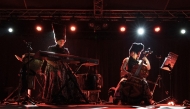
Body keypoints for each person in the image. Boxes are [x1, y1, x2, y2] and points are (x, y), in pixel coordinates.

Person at [41, 23, 83, 104]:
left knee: (73, 77)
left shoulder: (65, 50)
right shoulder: (51, 48)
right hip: (53, 66)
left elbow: (68, 60)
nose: (62, 42)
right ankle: (56, 97)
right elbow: (46, 58)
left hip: (64, 67)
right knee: (57, 77)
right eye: (60, 41)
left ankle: (72, 97)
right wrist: (54, 64)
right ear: (57, 41)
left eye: (63, 41)